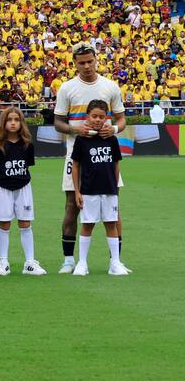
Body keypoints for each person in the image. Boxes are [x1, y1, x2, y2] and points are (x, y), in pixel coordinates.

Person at [54, 43, 126, 274]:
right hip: (77, 152)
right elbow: (57, 122)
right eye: (81, 62)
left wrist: (113, 130)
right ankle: (68, 260)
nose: (86, 66)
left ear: (96, 59)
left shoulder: (110, 86)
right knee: (72, 205)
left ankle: (116, 260)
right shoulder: (67, 88)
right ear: (74, 63)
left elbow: (122, 120)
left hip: (104, 153)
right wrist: (76, 131)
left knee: (114, 206)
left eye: (90, 61)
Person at [70, 100, 128, 276]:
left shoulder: (111, 139)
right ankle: (82, 263)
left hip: (109, 190)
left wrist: (115, 188)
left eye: (101, 117)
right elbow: (76, 166)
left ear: (107, 118)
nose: (97, 119)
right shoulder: (81, 140)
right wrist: (77, 191)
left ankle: (115, 263)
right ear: (87, 117)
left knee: (111, 224)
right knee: (87, 225)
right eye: (94, 116)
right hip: (88, 190)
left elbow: (116, 165)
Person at [0, 107, 45, 276]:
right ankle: (3, 261)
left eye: (16, 120)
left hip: (24, 187)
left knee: (25, 223)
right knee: (4, 223)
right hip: (3, 188)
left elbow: (26, 166)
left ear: (21, 123)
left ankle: (29, 263)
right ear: (3, 123)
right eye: (9, 120)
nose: (13, 123)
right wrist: (3, 181)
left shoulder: (27, 145)